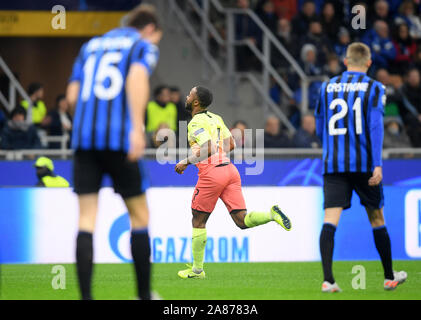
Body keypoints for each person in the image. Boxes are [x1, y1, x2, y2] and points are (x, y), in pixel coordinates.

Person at [66, 4, 162, 300]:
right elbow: (136, 77)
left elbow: (71, 96)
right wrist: (136, 127)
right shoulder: (140, 46)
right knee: (139, 215)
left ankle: (85, 297)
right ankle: (144, 295)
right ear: (149, 29)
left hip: (84, 141)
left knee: (86, 219)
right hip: (119, 140)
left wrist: (84, 124)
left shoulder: (90, 46)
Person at [315, 42, 407, 293]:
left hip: (334, 165)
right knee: (377, 218)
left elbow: (320, 124)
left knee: (330, 220)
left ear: (346, 62)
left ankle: (328, 280)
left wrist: (330, 149)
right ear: (368, 63)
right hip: (365, 165)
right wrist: (377, 164)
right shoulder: (375, 88)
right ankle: (389, 277)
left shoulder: (326, 87)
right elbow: (376, 127)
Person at [174, 86, 292, 279]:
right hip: (230, 170)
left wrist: (185, 162)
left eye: (190, 95)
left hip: (212, 174)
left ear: (196, 102)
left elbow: (209, 147)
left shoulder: (195, 123)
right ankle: (271, 214)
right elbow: (231, 144)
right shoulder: (216, 118)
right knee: (241, 220)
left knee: (198, 220)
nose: (187, 97)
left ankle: (197, 270)